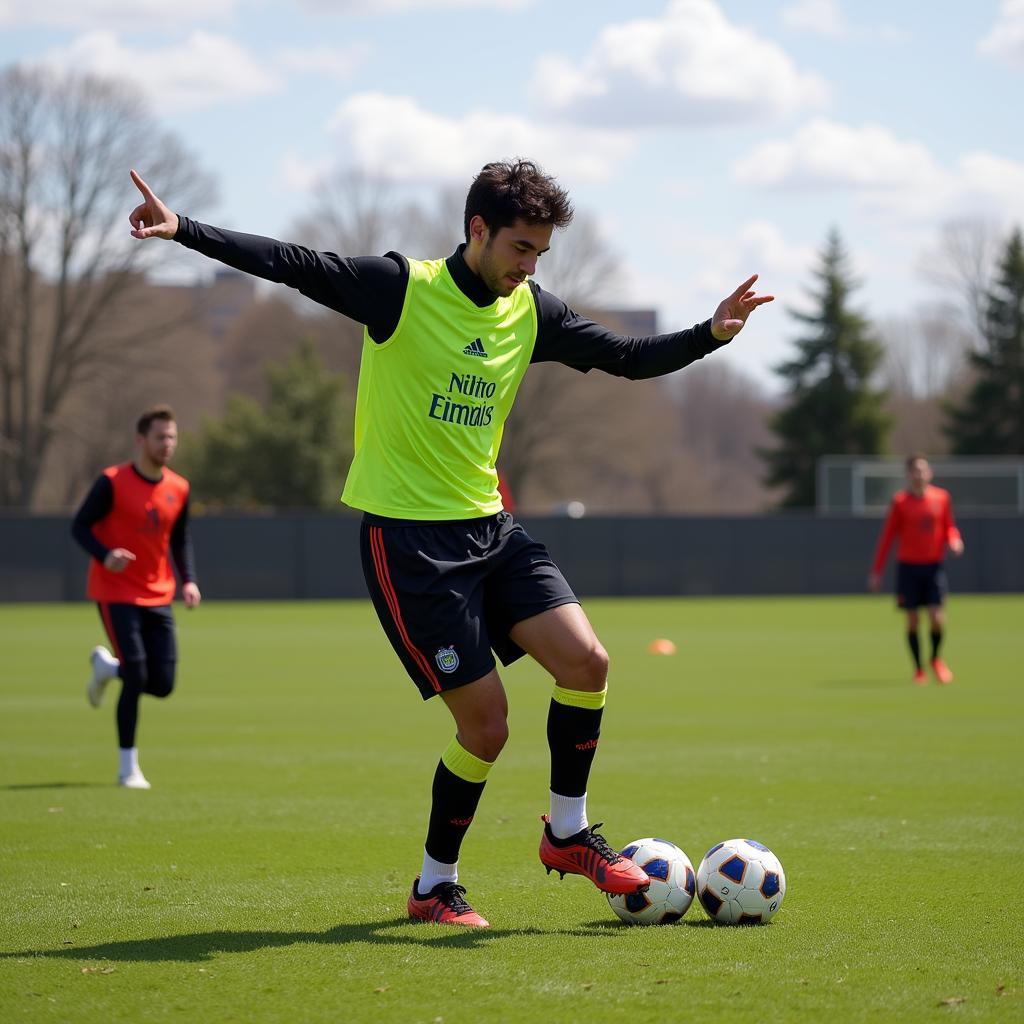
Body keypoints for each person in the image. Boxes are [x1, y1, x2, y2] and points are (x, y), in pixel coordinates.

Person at [127, 159, 772, 927]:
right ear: (477, 230)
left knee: (588, 662)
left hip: (491, 529)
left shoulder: (530, 310)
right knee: (487, 726)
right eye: (519, 249)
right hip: (408, 545)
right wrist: (182, 230)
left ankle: (568, 833)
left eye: (540, 253)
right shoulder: (403, 289)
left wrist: (711, 333)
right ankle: (435, 885)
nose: (528, 266)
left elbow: (625, 359)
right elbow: (292, 264)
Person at [71, 406, 201, 789]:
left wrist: (189, 580)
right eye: (160, 437)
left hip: (158, 592)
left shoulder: (179, 488)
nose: (167, 444)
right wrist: (105, 555)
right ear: (140, 440)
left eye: (172, 437)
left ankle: (108, 670)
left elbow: (180, 538)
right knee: (138, 673)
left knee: (162, 683)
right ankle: (128, 767)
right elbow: (79, 526)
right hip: (115, 591)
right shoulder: (111, 482)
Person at [869, 454, 964, 685]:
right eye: (914, 471)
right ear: (908, 475)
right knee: (912, 620)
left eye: (922, 470)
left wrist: (954, 539)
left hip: (933, 566)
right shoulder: (900, 502)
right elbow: (887, 537)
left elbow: (949, 526)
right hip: (908, 567)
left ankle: (936, 660)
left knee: (937, 617)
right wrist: (877, 570)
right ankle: (919, 669)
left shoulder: (941, 498)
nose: (919, 475)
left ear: (929, 473)